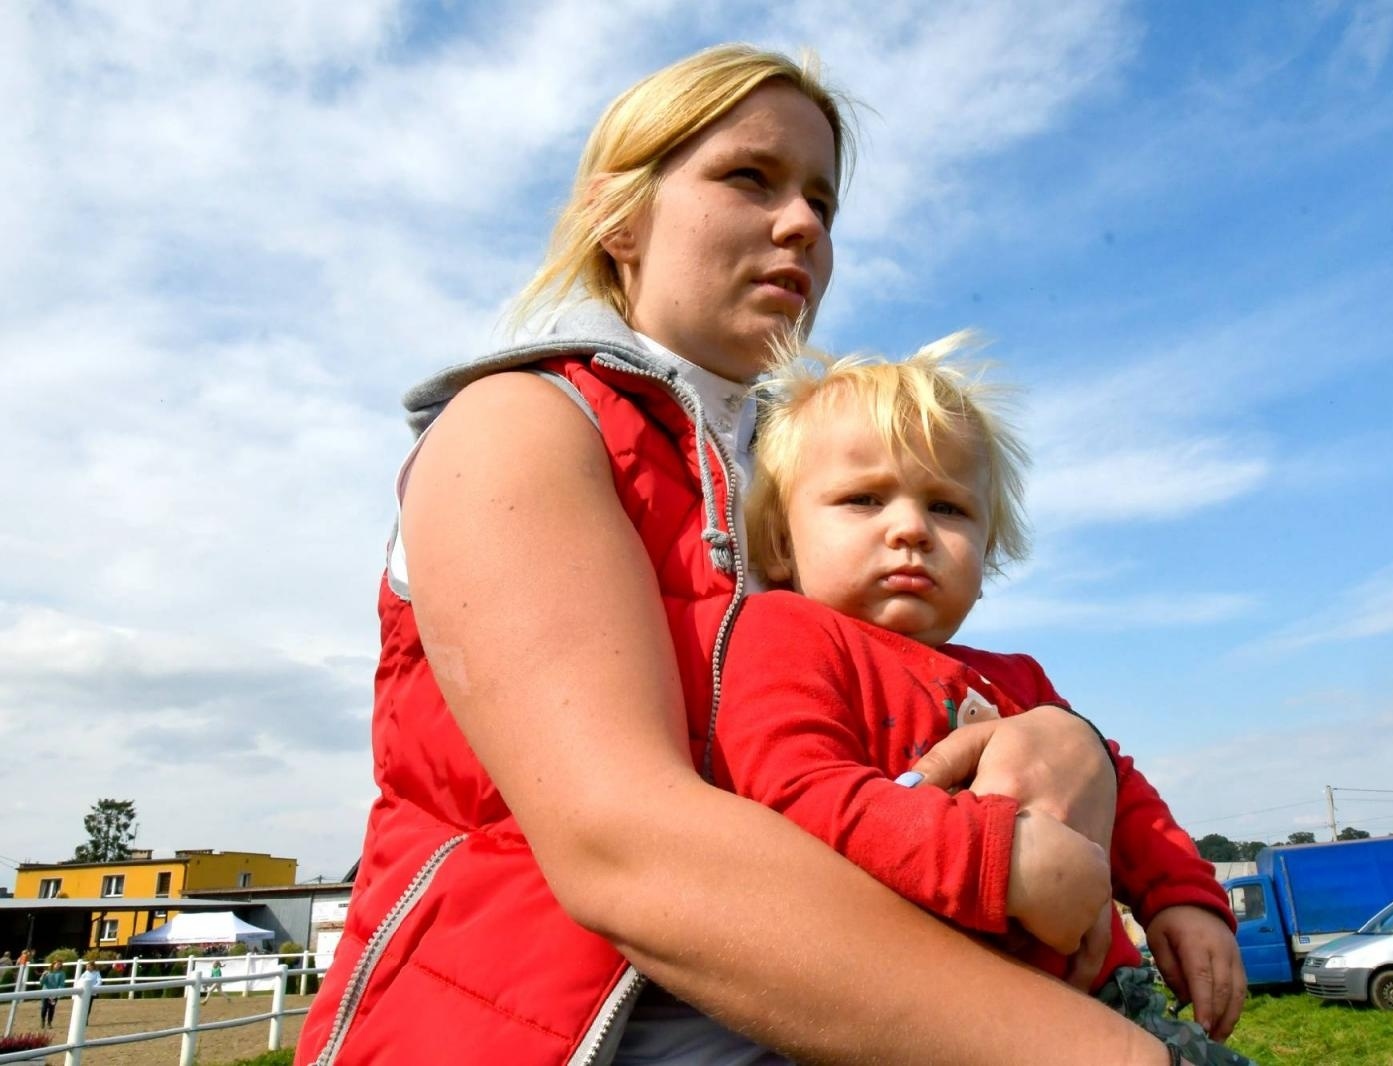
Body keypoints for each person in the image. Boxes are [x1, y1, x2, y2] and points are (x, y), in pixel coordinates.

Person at [298, 43, 1175, 1066]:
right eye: (749, 177)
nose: (802, 222)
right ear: (615, 217)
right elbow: (618, 843)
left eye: (823, 201)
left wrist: (1065, 748)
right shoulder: (521, 424)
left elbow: (909, 710)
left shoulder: (814, 468)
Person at [712, 336, 1250, 1062]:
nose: (910, 529)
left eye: (949, 508)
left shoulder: (1017, 680)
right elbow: (796, 797)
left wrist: (1181, 897)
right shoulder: (786, 633)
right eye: (862, 499)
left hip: (1108, 1002)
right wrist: (1004, 860)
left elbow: (1121, 793)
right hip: (932, 1012)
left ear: (989, 544)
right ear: (779, 540)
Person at [39, 959, 65, 1028]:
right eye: (57, 964)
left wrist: (58, 993)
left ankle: (49, 1022)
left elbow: (61, 984)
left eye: (60, 964)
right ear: (53, 964)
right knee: (44, 1007)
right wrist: (43, 976)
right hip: (45, 993)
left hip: (54, 994)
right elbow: (41, 983)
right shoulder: (47, 972)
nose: (58, 965)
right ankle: (42, 1021)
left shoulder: (61, 973)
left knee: (51, 1008)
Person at [74, 961, 102, 1026]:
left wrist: (94, 987)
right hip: (84, 993)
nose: (87, 967)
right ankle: (81, 1019)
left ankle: (85, 1019)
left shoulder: (96, 973)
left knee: (88, 1006)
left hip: (91, 992)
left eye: (89, 966)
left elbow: (99, 981)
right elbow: (80, 980)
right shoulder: (85, 973)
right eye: (87, 966)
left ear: (93, 966)